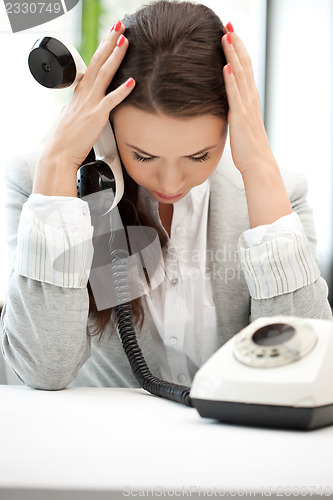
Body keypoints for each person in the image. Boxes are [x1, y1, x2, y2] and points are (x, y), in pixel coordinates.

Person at [1, 0, 331, 390]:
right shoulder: (38, 187)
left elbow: (306, 369)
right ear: (105, 126)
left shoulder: (280, 197)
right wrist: (59, 163)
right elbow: (43, 369)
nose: (171, 183)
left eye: (199, 155)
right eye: (143, 154)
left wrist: (259, 165)